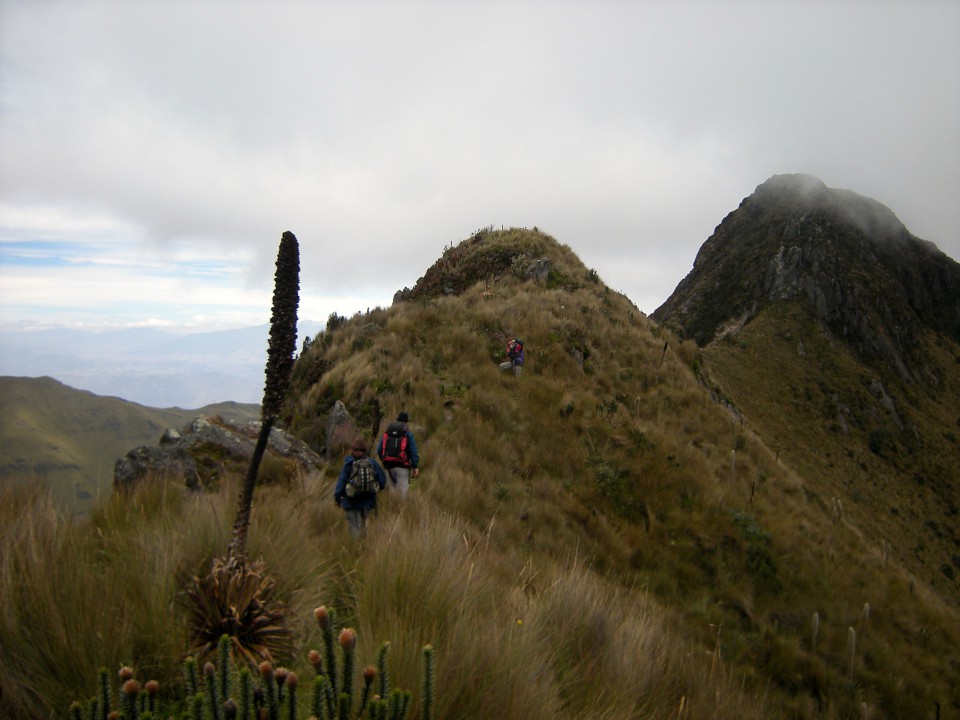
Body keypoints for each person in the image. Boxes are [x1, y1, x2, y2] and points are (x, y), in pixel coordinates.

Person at [334, 437, 386, 538]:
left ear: (352, 450)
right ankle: (368, 547)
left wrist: (338, 500)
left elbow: (340, 485)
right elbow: (382, 481)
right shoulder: (372, 463)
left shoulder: (348, 464)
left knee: (355, 528)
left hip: (351, 502)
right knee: (367, 527)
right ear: (365, 450)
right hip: (369, 502)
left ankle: (356, 548)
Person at [377, 411, 420, 500]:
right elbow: (413, 451)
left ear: (398, 420)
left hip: (389, 466)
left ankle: (391, 511)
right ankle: (400, 512)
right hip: (402, 467)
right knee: (402, 494)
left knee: (392, 493)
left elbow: (379, 449)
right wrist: (415, 466)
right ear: (406, 422)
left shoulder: (388, 431)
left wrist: (384, 460)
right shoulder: (407, 433)